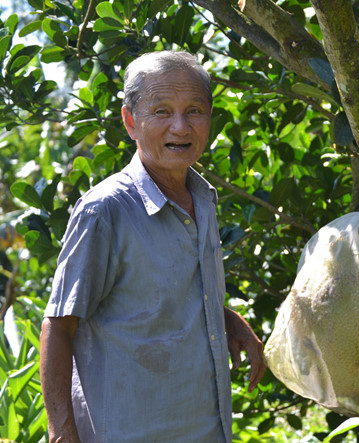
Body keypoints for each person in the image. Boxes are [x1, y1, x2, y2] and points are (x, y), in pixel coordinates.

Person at [39, 51, 266, 443]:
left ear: (209, 118)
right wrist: (61, 434)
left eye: (194, 110)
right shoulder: (104, 211)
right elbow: (58, 326)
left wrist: (224, 318)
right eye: (161, 111)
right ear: (131, 121)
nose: (180, 127)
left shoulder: (203, 198)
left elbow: (156, 295)